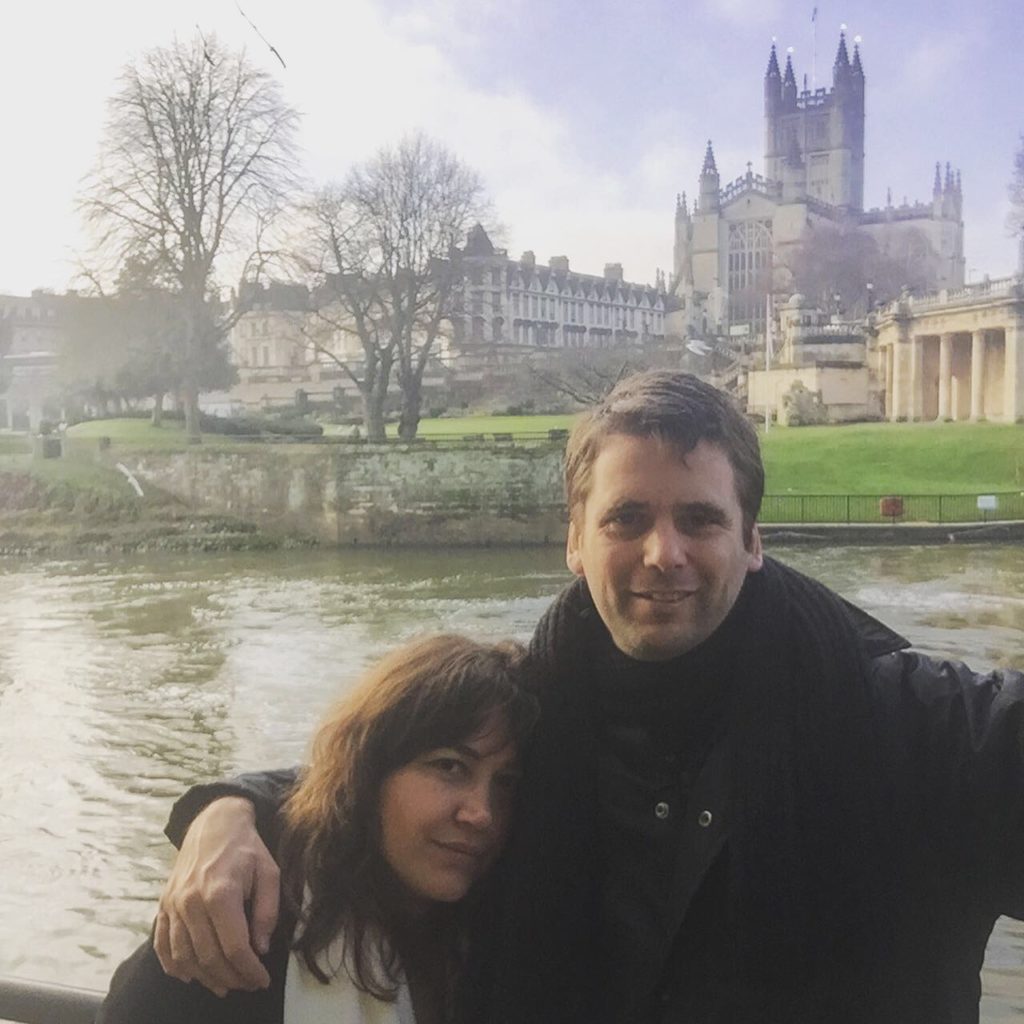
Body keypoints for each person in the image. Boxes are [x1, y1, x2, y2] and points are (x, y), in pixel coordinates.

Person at [152, 371, 1024, 1024]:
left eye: (701, 520)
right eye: (628, 519)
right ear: (574, 540)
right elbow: (379, 775)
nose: (663, 554)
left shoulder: (912, 723)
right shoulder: (532, 713)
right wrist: (227, 810)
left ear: (755, 540)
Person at [98, 634, 536, 1024]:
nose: (482, 813)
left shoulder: (505, 922)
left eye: (506, 783)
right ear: (369, 771)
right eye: (450, 767)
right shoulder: (245, 929)